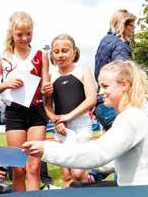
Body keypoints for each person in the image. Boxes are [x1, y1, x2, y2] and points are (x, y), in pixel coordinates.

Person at [23, 61, 148, 187]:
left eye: (105, 86)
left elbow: (97, 154)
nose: (100, 92)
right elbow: (113, 157)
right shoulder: (134, 114)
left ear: (124, 85)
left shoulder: (130, 119)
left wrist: (46, 149)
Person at [0, 11, 52, 192]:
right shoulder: (2, 57)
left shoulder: (41, 55)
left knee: (33, 168)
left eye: (28, 33)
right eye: (19, 34)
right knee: (17, 168)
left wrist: (48, 88)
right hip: (14, 113)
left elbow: (46, 85)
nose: (24, 38)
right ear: (11, 34)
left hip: (36, 112)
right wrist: (6, 84)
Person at [90, 8, 136, 183]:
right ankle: (114, 181)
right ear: (124, 25)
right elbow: (122, 75)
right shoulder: (120, 46)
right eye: (132, 25)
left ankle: (95, 175)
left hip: (101, 101)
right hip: (113, 102)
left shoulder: (105, 41)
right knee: (126, 146)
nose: (134, 29)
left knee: (115, 143)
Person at [45, 34, 96, 187]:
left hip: (81, 125)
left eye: (65, 50)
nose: (60, 55)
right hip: (61, 128)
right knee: (67, 175)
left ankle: (90, 185)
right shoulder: (50, 76)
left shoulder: (83, 71)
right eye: (56, 51)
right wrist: (55, 119)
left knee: (78, 173)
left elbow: (91, 99)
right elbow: (47, 105)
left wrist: (68, 116)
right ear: (52, 54)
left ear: (74, 52)